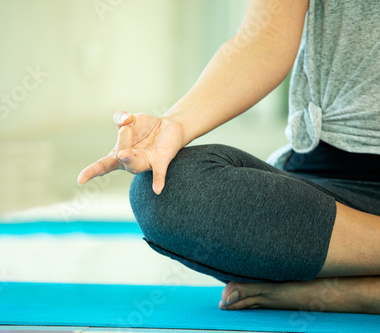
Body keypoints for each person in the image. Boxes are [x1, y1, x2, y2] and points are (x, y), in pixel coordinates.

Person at [78, 0, 380, 314]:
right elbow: (264, 35)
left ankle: (359, 291)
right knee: (163, 190)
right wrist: (176, 124)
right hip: (335, 196)